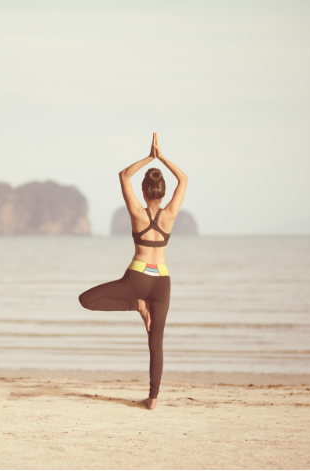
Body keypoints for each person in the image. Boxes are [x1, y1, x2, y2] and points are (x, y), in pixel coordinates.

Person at [78, 132, 188, 410]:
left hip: (137, 279)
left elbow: (123, 175)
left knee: (86, 300)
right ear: (163, 192)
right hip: (162, 281)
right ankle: (152, 399)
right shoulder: (170, 214)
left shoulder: (137, 213)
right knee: (156, 342)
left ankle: (134, 305)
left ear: (143, 192)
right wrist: (162, 157)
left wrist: (149, 157)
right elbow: (184, 179)